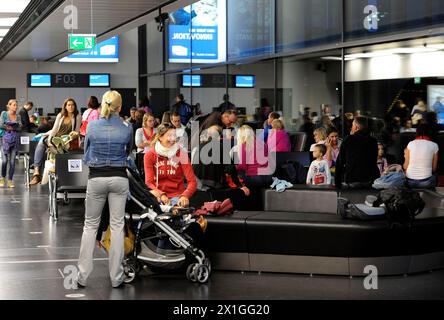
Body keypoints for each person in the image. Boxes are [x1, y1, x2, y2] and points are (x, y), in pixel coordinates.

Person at [76, 90, 133, 289]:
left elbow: (86, 151)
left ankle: (82, 276)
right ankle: (117, 278)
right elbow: (129, 152)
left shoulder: (91, 125)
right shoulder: (128, 127)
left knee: (90, 226)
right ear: (119, 107)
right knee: (117, 227)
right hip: (119, 178)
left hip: (97, 178)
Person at [29, 98, 82, 185]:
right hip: (56, 137)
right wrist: (50, 140)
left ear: (75, 106)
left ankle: (37, 171)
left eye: (72, 105)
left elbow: (76, 131)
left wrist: (74, 135)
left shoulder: (77, 116)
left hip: (67, 140)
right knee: (42, 140)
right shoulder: (60, 115)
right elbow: (54, 129)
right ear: (65, 106)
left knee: (42, 142)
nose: (71, 107)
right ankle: (36, 172)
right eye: (68, 105)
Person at [144, 123, 197, 207]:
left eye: (174, 135)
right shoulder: (149, 155)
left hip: (177, 197)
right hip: (158, 196)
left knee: (176, 213)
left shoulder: (181, 154)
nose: (173, 139)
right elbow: (149, 182)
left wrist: (184, 196)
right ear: (160, 137)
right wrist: (161, 194)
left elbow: (192, 181)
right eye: (169, 135)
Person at [335, 117, 380, 189]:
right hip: (370, 179)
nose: (351, 128)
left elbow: (340, 161)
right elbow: (373, 160)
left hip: (353, 178)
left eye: (352, 126)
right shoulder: (373, 141)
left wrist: (337, 183)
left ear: (356, 127)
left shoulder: (348, 139)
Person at [404, 123, 439, 189]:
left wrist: (405, 156)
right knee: (435, 176)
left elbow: (405, 166)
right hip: (426, 182)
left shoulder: (410, 144)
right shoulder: (434, 145)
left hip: (410, 182)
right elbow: (434, 169)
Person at [0, 99, 22, 188]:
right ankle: (2, 177)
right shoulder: (4, 114)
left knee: (12, 162)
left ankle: (10, 180)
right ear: (9, 106)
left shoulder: (18, 116)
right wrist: (10, 127)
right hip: (4, 140)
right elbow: (1, 124)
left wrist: (12, 127)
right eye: (13, 105)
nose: (15, 107)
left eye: (16, 105)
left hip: (14, 140)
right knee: (4, 161)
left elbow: (20, 127)